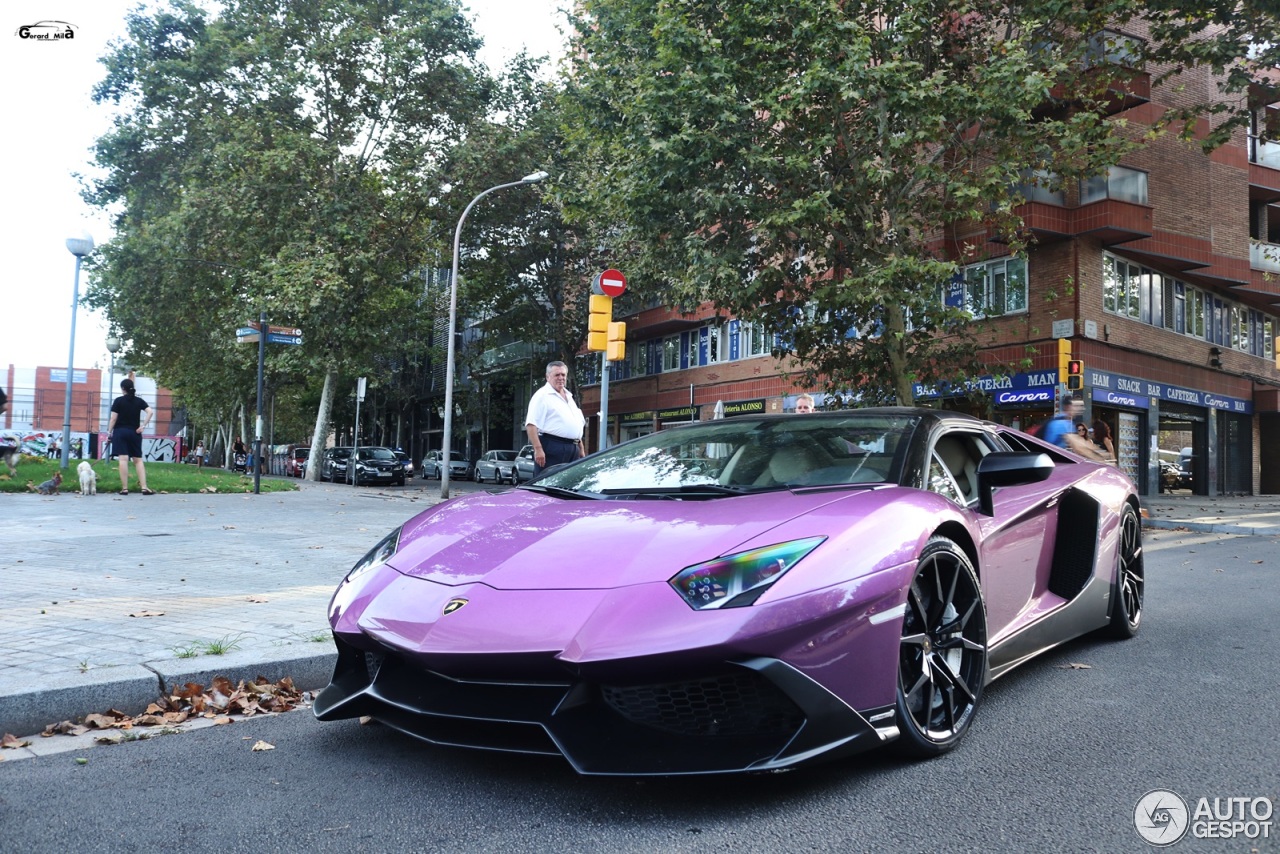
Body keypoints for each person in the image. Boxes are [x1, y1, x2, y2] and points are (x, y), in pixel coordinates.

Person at [524, 360, 586, 476]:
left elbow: (576, 423)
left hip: (573, 448)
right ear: (548, 377)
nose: (561, 378)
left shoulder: (569, 397)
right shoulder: (542, 396)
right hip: (553, 446)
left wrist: (580, 447)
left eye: (563, 375)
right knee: (548, 484)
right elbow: (531, 425)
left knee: (570, 485)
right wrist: (538, 449)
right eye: (557, 375)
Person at [107, 376, 153, 495]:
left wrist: (109, 432)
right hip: (135, 432)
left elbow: (113, 419)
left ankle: (125, 488)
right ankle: (144, 487)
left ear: (123, 388)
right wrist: (143, 426)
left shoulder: (118, 401)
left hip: (120, 432)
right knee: (138, 460)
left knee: (123, 459)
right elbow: (150, 412)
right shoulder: (139, 401)